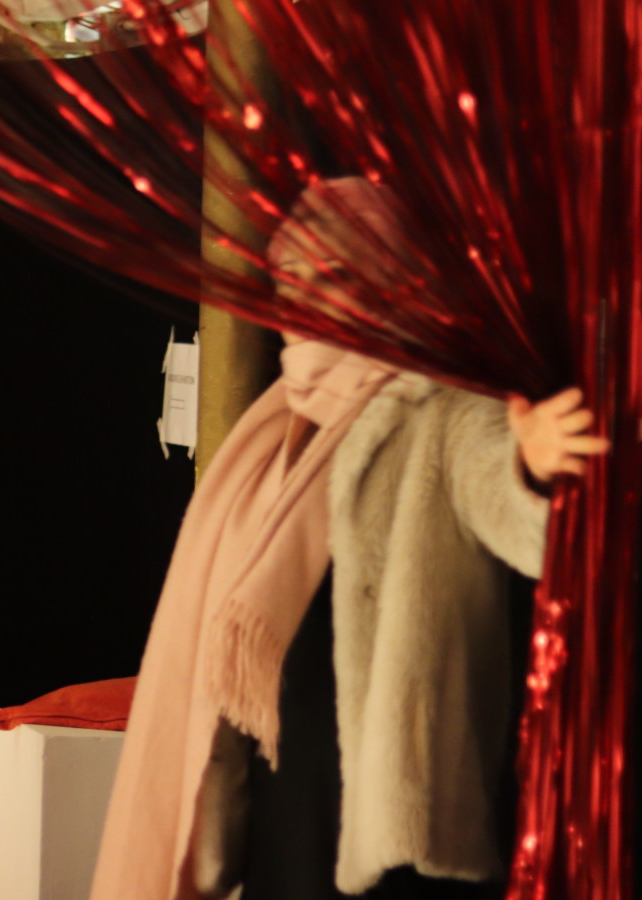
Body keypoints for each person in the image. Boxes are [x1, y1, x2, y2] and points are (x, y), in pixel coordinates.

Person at [89, 177, 610, 900]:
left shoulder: (443, 402)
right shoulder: (273, 424)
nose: (309, 300)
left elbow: (509, 506)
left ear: (393, 278)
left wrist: (532, 464)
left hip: (396, 826)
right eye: (292, 278)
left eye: (335, 276)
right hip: (284, 809)